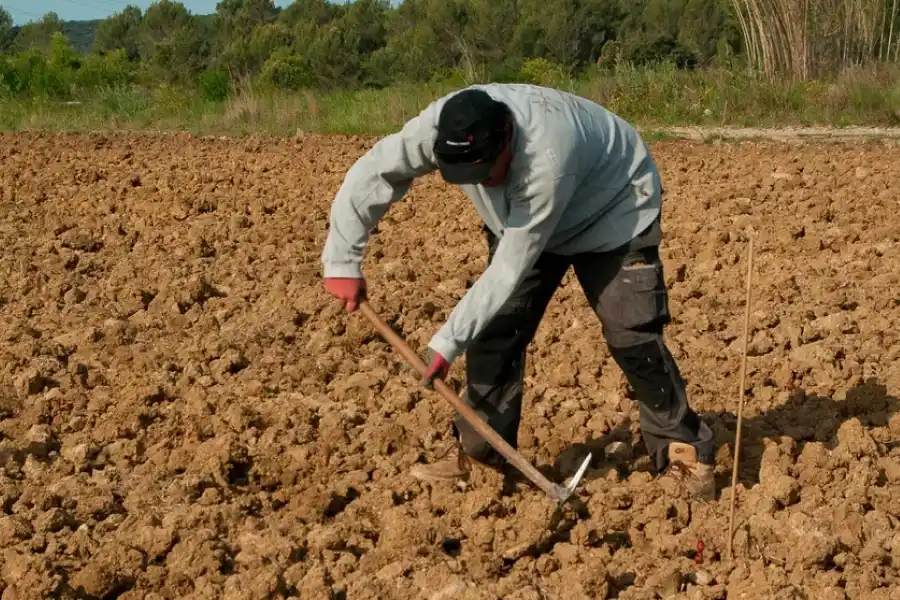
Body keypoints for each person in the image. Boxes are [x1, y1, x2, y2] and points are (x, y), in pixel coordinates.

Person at [320, 83, 716, 501]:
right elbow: (374, 171)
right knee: (495, 330)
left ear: (506, 137)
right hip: (521, 219)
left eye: (488, 172)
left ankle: (685, 451)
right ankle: (480, 457)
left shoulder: (547, 157)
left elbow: (510, 266)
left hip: (613, 210)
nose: (484, 184)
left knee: (632, 333)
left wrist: (445, 343)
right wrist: (342, 260)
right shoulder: (436, 129)